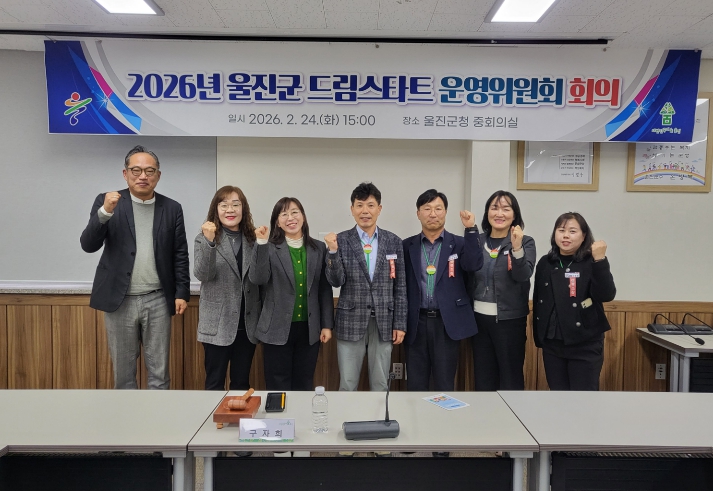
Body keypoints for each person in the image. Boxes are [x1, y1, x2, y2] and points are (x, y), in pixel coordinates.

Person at [80, 145, 190, 390]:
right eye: (136, 170)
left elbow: (179, 253)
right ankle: (126, 415)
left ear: (158, 175)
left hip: (158, 299)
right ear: (125, 173)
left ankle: (158, 414)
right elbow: (88, 245)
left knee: (160, 374)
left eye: (149, 171)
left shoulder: (172, 208)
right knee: (124, 375)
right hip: (120, 300)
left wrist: (182, 292)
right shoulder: (107, 202)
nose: (143, 176)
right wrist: (105, 212)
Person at [324, 182, 407, 392]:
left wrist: (400, 323)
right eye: (359, 205)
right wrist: (332, 252)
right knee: (347, 383)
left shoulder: (393, 241)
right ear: (352, 209)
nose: (365, 211)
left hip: (384, 322)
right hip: (350, 320)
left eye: (370, 205)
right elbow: (336, 281)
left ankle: (379, 415)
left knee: (381, 384)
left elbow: (400, 287)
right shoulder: (341, 240)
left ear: (379, 209)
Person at [249, 197, 334, 391]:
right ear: (277, 222)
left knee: (304, 383)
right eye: (284, 214)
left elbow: (324, 288)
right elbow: (258, 278)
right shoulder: (269, 247)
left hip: (309, 329)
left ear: (303, 216)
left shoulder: (318, 248)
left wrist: (326, 325)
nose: (290, 218)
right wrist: (260, 243)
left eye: (295, 212)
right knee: (277, 384)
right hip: (276, 328)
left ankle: (301, 413)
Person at [403, 189, 483, 391]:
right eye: (427, 209)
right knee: (415, 383)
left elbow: (474, 265)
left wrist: (471, 229)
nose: (433, 214)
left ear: (445, 212)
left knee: (445, 383)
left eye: (438, 208)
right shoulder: (407, 246)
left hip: (447, 323)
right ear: (418, 213)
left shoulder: (460, 244)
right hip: (416, 322)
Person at [532, 212, 615, 391]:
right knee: (558, 397)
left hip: (585, 343)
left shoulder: (591, 261)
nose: (566, 236)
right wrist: (540, 338)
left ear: (584, 236)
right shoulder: (546, 262)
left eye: (572, 231)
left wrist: (600, 260)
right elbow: (539, 301)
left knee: (583, 399)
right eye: (561, 230)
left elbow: (606, 295)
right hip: (553, 343)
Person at [194, 186, 260, 391]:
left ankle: (239, 414)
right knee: (214, 383)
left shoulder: (253, 240)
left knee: (241, 384)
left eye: (235, 204)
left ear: (243, 209)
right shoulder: (203, 238)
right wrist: (209, 242)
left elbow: (260, 278)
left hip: (246, 325)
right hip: (217, 324)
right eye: (224, 205)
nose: (230, 210)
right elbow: (203, 274)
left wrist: (263, 244)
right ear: (216, 209)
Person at [471, 191, 536, 391]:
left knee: (510, 378)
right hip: (478, 320)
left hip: (510, 320)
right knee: (483, 377)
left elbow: (522, 275)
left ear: (514, 215)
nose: (499, 213)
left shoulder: (526, 242)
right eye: (494, 208)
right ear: (487, 213)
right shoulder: (477, 241)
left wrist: (517, 249)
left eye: (506, 209)